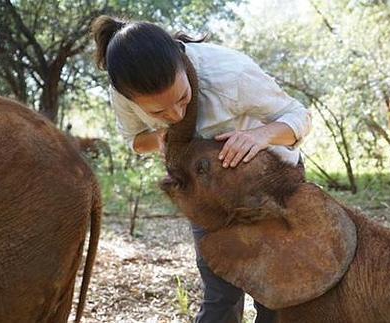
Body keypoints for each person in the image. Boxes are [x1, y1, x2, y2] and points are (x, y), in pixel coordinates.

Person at [91, 15, 311, 323]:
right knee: (221, 294)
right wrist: (158, 138)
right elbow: (134, 140)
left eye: (182, 98)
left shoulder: (231, 74)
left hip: (269, 186)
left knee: (271, 293)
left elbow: (299, 116)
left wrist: (258, 136)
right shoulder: (123, 94)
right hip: (206, 196)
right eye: (158, 111)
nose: (176, 113)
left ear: (182, 62)